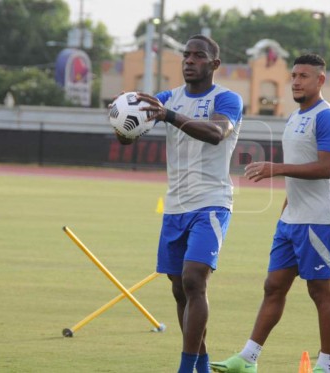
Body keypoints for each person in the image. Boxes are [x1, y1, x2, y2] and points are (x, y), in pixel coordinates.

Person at [114, 35, 243, 373]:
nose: (189, 61)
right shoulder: (167, 97)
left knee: (193, 279)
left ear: (214, 65)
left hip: (212, 203)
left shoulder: (226, 99)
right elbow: (127, 135)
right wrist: (122, 120)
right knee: (179, 290)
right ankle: (200, 364)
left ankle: (185, 368)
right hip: (175, 206)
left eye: (198, 56)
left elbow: (217, 133)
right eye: (185, 55)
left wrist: (168, 115)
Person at [210, 54, 330, 373]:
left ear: (321, 81)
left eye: (304, 76)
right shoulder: (294, 116)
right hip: (292, 219)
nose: (297, 81)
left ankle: (326, 366)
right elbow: (299, 170)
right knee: (273, 286)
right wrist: (285, 211)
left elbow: (326, 168)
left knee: (319, 290)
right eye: (294, 75)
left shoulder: (328, 117)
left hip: (319, 219)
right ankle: (247, 359)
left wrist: (277, 169)